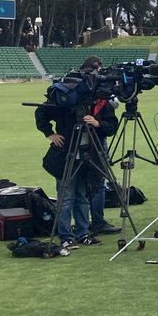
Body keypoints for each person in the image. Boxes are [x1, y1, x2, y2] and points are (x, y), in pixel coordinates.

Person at [36, 59, 118, 250]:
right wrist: (50, 134)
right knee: (66, 197)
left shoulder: (101, 100)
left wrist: (98, 124)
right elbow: (41, 113)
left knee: (82, 196)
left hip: (89, 154)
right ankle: (66, 236)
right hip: (67, 154)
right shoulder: (66, 96)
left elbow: (112, 125)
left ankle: (82, 233)